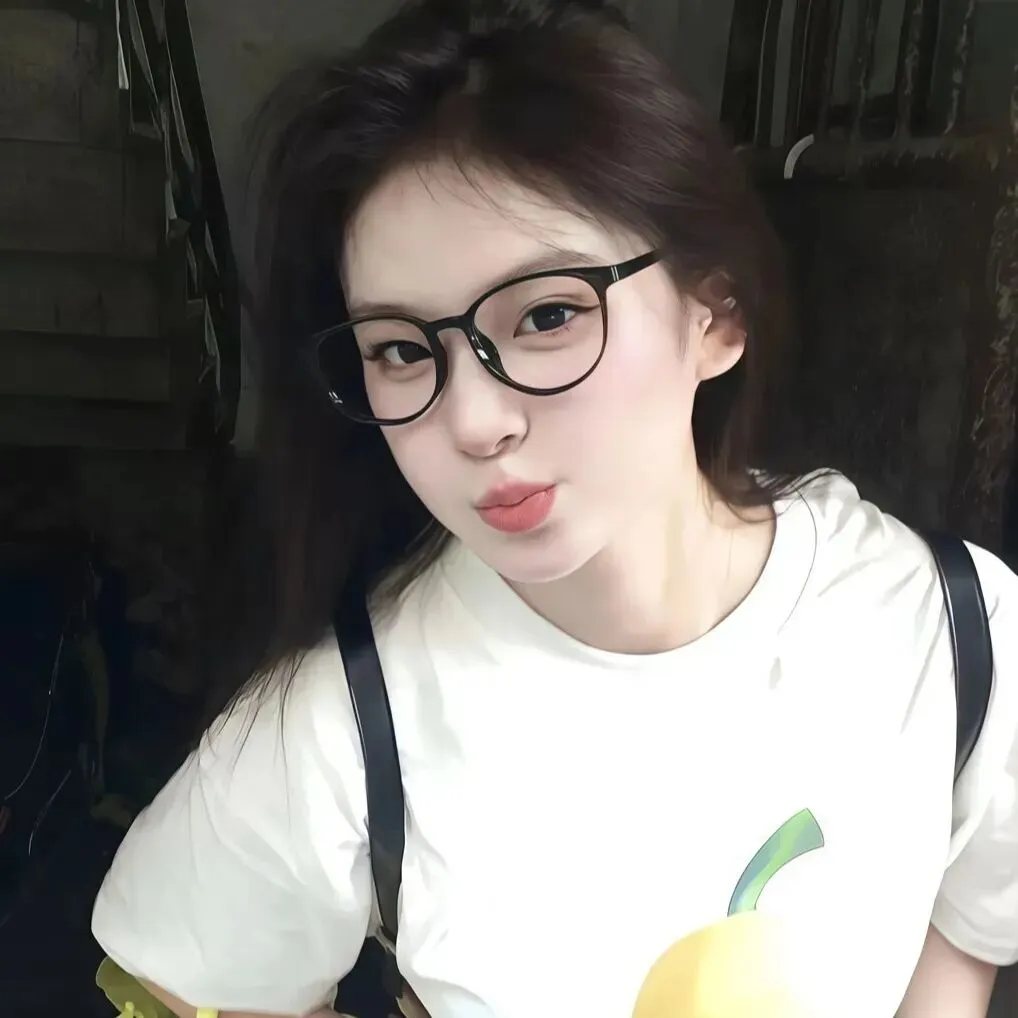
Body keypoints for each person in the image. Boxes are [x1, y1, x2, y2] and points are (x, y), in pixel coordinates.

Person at [91, 1, 1018, 1016]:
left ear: (715, 314)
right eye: (401, 349)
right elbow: (182, 981)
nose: (474, 421)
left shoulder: (950, 627)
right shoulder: (347, 721)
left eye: (545, 314)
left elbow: (968, 923)